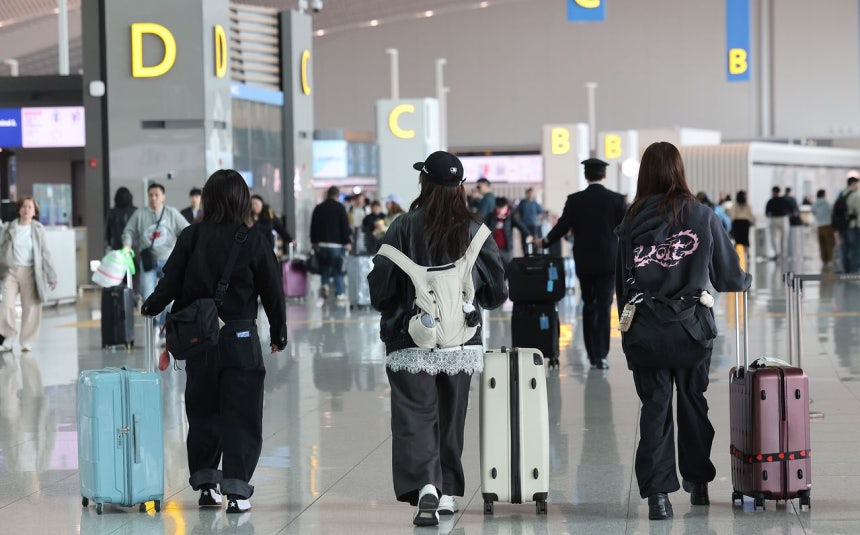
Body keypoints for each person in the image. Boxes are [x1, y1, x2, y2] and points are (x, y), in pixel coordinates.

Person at [368, 150, 506, 527]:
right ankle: (446, 492)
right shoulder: (476, 230)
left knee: (415, 414)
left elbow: (380, 290)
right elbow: (496, 293)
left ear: (424, 182)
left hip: (409, 338)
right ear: (460, 187)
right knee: (451, 415)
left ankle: (424, 488)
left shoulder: (401, 227)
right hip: (459, 340)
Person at [615, 141, 751, 521]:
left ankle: (659, 496)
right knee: (693, 403)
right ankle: (698, 483)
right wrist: (746, 279)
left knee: (655, 408)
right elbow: (728, 277)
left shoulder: (630, 222)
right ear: (679, 171)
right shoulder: (703, 215)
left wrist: (627, 333)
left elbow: (621, 286)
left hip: (646, 330)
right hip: (692, 329)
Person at [141, 169, 287, 515]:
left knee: (203, 408)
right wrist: (279, 331)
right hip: (239, 336)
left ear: (207, 199)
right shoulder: (254, 239)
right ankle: (237, 491)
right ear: (241, 200)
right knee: (242, 414)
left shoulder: (192, 236)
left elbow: (170, 281)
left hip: (199, 337)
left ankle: (206, 486)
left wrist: (152, 306)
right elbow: (272, 288)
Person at [536, 158, 626, 369]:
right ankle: (601, 356)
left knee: (588, 304)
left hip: (584, 261)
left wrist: (545, 241)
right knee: (604, 306)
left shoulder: (575, 200)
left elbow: (561, 227)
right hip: (608, 261)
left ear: (586, 176)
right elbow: (626, 228)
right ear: (604, 175)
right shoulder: (616, 200)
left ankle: (591, 353)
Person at [122, 183, 189, 327]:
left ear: (163, 196)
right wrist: (127, 245)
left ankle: (164, 326)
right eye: (151, 195)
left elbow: (187, 230)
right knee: (147, 295)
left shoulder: (171, 213)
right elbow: (128, 231)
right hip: (148, 263)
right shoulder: (140, 214)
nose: (153, 198)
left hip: (168, 261)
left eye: (157, 195)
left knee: (170, 299)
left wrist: (182, 249)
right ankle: (155, 326)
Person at [0, 197, 58, 352]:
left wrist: (51, 276)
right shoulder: (9, 228)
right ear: (19, 209)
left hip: (31, 271)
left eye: (30, 207)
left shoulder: (38, 229)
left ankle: (25, 340)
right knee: (6, 304)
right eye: (24, 207)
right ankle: (9, 337)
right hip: (10, 271)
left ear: (34, 212)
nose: (26, 210)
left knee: (31, 307)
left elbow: (46, 254)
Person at [310, 186, 352, 302]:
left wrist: (313, 241)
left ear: (327, 195)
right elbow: (345, 227)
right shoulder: (340, 208)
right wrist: (347, 241)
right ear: (337, 196)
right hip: (337, 245)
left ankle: (325, 286)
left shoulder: (319, 208)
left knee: (325, 267)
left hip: (322, 244)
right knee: (338, 269)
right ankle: (339, 293)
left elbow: (313, 226)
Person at [104, 187, 139, 289]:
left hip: (117, 248)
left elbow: (107, 232)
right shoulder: (135, 211)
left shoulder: (112, 212)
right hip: (134, 248)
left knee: (118, 274)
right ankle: (134, 295)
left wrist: (108, 246)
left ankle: (121, 297)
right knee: (134, 273)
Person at [486, 196, 531, 268]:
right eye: (499, 208)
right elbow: (483, 228)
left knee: (509, 268)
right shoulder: (491, 216)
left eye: (503, 208)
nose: (501, 211)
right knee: (494, 268)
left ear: (507, 207)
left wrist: (528, 234)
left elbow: (521, 226)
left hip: (507, 248)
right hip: (493, 248)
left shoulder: (511, 217)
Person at [837, 176, 860, 273]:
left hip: (843, 225)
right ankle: (854, 270)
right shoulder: (856, 195)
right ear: (853, 183)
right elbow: (858, 211)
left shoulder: (842, 194)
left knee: (845, 249)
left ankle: (846, 269)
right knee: (856, 249)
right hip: (853, 226)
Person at [514, 187, 543, 252]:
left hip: (533, 225)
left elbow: (540, 211)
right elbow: (516, 212)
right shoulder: (522, 203)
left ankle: (535, 253)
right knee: (524, 241)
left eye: (531, 193)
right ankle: (525, 254)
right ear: (526, 194)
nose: (530, 195)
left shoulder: (535, 203)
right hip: (524, 225)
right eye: (529, 193)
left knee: (534, 240)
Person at [811, 189, 835, 268]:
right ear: (824, 194)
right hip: (827, 225)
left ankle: (824, 260)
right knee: (829, 243)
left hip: (819, 225)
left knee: (822, 243)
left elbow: (813, 212)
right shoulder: (826, 203)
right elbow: (832, 212)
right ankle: (830, 260)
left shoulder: (815, 204)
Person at [764, 186, 790, 260]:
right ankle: (783, 254)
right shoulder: (784, 200)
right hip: (783, 219)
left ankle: (776, 253)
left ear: (773, 192)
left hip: (774, 219)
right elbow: (789, 210)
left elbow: (766, 212)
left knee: (774, 237)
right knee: (784, 237)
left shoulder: (770, 201)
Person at [727, 190, 756, 255]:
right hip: (745, 223)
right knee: (745, 239)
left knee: (737, 239)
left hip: (737, 223)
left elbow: (732, 215)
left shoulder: (735, 205)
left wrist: (731, 222)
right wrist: (754, 220)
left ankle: (737, 254)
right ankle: (747, 253)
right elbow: (750, 214)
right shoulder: (747, 205)